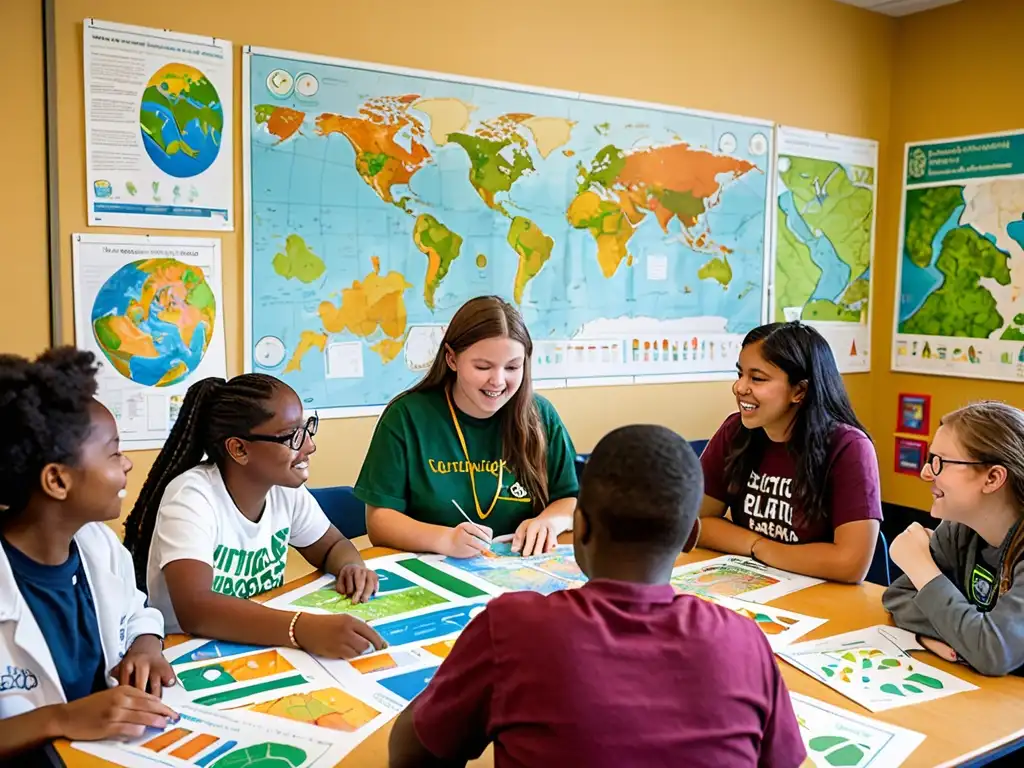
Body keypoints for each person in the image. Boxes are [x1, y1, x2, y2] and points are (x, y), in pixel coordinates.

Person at [388, 424, 806, 768]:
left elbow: (411, 754)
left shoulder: (512, 629)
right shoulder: (744, 641)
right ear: (690, 538)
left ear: (580, 528)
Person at [123, 373, 385, 659]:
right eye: (293, 437)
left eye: (308, 429)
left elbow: (333, 546)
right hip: (190, 650)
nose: (310, 446)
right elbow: (195, 610)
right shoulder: (190, 496)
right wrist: (301, 628)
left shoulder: (284, 489)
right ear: (239, 449)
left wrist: (351, 567)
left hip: (259, 640)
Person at [0, 348, 178, 761]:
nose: (128, 464)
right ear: (57, 480)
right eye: (114, 453)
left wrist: (145, 645)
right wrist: (59, 718)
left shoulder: (97, 544)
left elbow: (137, 611)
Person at [356, 296, 579, 558]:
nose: (497, 380)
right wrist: (444, 539)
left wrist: (550, 522)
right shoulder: (405, 417)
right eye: (483, 366)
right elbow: (379, 521)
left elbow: (569, 499)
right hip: (434, 572)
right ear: (451, 359)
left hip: (520, 569)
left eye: (512, 367)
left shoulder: (540, 415)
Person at [698, 321, 881, 583]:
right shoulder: (735, 431)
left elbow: (850, 564)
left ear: (799, 390)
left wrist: (760, 548)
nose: (739, 388)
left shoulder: (849, 447)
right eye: (740, 374)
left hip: (821, 597)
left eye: (757, 378)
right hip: (753, 584)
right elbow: (696, 522)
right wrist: (756, 545)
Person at [884, 401, 1024, 677]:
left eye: (940, 463)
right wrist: (966, 636)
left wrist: (922, 568)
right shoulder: (960, 530)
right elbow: (897, 597)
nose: (926, 473)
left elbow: (992, 651)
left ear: (993, 477)